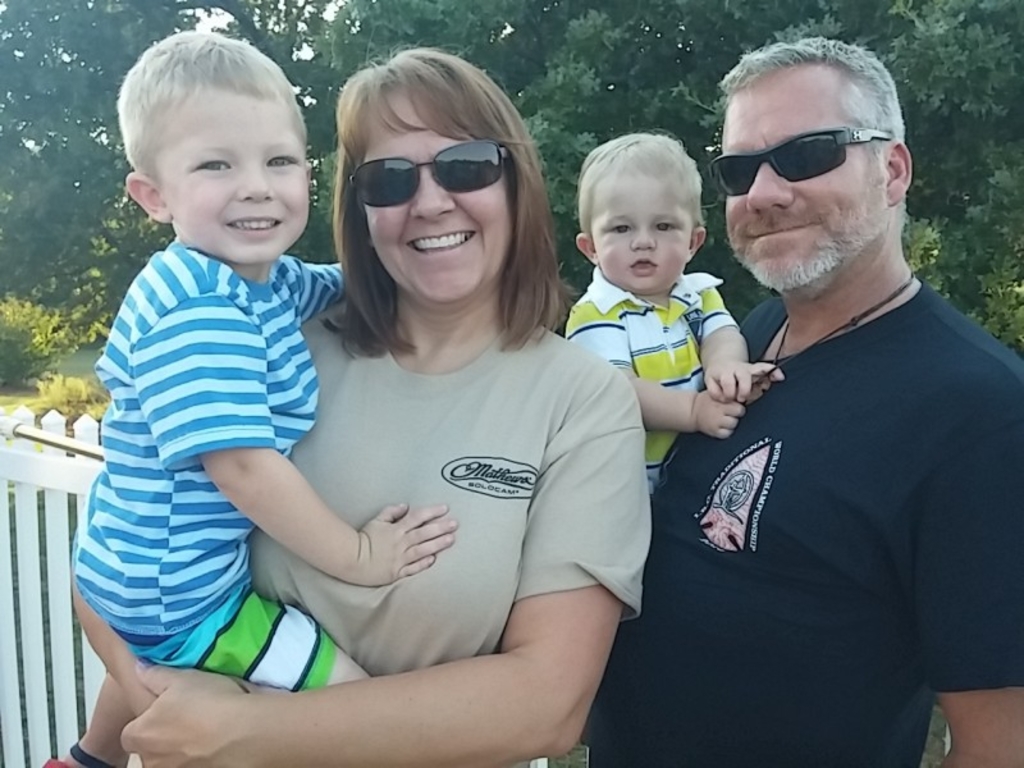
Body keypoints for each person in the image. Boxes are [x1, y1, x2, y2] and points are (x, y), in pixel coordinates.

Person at [68, 46, 652, 768]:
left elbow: (547, 705)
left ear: (516, 181)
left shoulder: (582, 401)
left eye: (466, 166)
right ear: (359, 206)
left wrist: (241, 733)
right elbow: (116, 547)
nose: (430, 203)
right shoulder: (273, 346)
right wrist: (164, 713)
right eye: (390, 179)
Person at [588, 36, 1024, 767]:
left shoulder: (980, 413)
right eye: (739, 170)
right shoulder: (751, 336)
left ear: (892, 170)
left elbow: (1001, 747)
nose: (763, 193)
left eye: (807, 154)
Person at [52, 33, 461, 768]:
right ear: (154, 195)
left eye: (279, 161)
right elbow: (242, 466)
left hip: (133, 563)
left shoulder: (259, 280)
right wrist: (361, 556)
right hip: (182, 598)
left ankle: (88, 760)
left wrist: (411, 270)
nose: (256, 187)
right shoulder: (200, 310)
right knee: (351, 701)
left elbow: (335, 285)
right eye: (216, 165)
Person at [565, 132, 779, 491]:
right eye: (621, 228)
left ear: (693, 242)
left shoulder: (698, 294)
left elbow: (722, 334)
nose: (643, 242)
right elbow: (618, 393)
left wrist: (726, 367)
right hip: (619, 487)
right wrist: (693, 411)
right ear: (591, 248)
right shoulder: (597, 313)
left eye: (663, 226)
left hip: (686, 475)